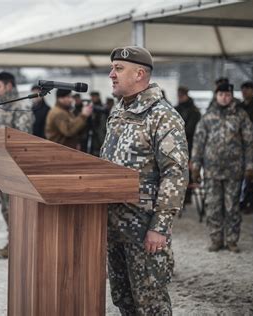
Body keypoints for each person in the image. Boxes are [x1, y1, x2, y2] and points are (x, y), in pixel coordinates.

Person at [100, 46, 189, 315]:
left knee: (151, 305)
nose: (111, 75)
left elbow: (175, 174)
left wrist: (160, 227)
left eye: (118, 68)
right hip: (114, 227)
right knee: (123, 300)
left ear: (140, 74)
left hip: (143, 229)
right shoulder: (118, 113)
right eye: (113, 68)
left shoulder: (163, 116)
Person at [192, 82, 253, 253]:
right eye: (221, 95)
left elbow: (250, 142)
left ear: (231, 95)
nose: (224, 98)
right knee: (213, 206)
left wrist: (250, 166)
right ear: (216, 96)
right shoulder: (208, 117)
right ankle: (216, 239)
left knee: (232, 207)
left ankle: (231, 240)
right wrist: (195, 166)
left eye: (227, 95)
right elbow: (198, 143)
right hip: (212, 171)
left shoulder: (240, 116)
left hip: (234, 171)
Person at [0, 71, 32, 259]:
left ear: (9, 85)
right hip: (0, 164)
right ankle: (12, 241)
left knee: (15, 209)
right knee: (5, 208)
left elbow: (22, 139)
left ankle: (19, 245)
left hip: (16, 167)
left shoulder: (21, 106)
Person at [175, 86, 201, 204]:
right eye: (179, 95)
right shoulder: (176, 109)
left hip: (189, 145)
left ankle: (187, 196)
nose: (179, 97)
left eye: (181, 95)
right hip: (176, 145)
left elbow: (190, 130)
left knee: (188, 171)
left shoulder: (193, 111)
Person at [239, 81, 253, 213]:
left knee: (251, 177)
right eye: (243, 89)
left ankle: (250, 203)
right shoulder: (239, 107)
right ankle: (241, 202)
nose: (245, 92)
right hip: (238, 148)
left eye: (248, 89)